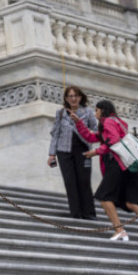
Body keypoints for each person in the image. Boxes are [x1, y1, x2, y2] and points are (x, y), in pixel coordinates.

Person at [71, 99, 138, 252]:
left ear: (102, 110)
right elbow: (92, 137)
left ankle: (119, 230)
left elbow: (113, 141)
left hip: (117, 165)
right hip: (126, 166)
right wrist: (79, 123)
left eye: (96, 110)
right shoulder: (114, 121)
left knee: (103, 196)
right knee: (132, 203)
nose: (95, 114)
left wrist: (95, 152)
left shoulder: (108, 121)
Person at [47, 86, 98, 219]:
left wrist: (79, 124)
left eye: (76, 96)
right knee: (70, 182)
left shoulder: (87, 112)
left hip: (83, 151)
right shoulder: (61, 113)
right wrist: (52, 154)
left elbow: (96, 130)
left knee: (84, 180)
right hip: (64, 151)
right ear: (66, 98)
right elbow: (55, 134)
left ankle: (89, 212)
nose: (73, 99)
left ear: (81, 97)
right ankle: (75, 213)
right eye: (70, 96)